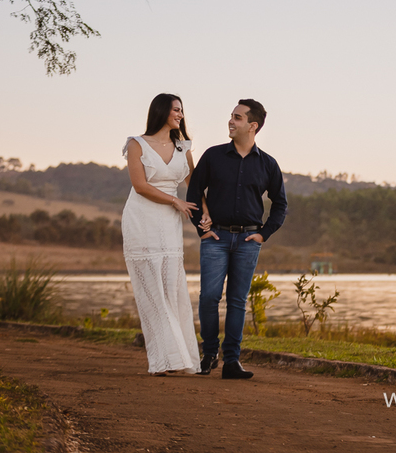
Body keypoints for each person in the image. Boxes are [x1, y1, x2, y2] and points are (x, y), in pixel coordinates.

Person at [187, 99, 288, 379]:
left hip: (248, 242)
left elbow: (280, 204)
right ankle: (209, 355)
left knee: (237, 301)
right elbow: (194, 193)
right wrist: (202, 228)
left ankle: (232, 361)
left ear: (253, 126)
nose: (231, 121)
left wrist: (263, 234)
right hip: (215, 238)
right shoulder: (213, 156)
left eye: (238, 118)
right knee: (208, 297)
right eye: (231, 116)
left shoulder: (268, 164)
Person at [122, 93, 202, 376]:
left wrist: (206, 210)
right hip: (142, 217)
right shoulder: (137, 144)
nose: (180, 114)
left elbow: (195, 185)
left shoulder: (183, 146)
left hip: (170, 222)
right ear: (162, 111)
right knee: (152, 291)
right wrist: (174, 201)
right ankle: (163, 360)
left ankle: (181, 358)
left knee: (171, 287)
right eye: (175, 109)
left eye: (181, 110)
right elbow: (140, 185)